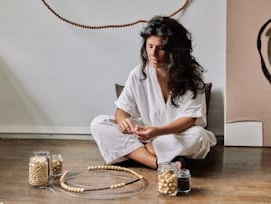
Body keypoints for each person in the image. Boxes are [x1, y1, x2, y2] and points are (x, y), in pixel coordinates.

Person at [90, 16, 217, 170]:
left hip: (177, 134)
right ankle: (158, 163)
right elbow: (121, 111)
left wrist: (158, 132)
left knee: (199, 137)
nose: (153, 54)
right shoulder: (138, 73)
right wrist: (123, 121)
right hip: (145, 133)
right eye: (150, 46)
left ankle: (137, 153)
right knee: (98, 124)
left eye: (160, 48)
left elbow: (190, 119)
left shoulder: (191, 75)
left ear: (174, 51)